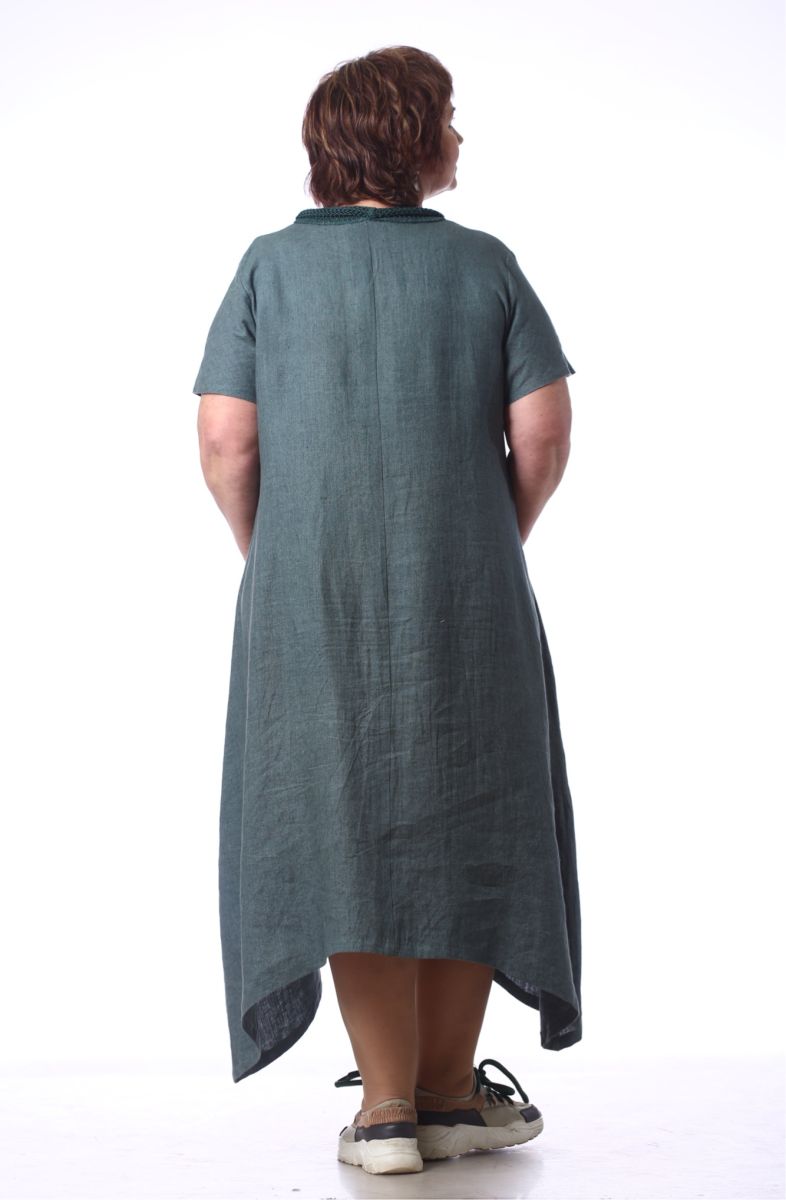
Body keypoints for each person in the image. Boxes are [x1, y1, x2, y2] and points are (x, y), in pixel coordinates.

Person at [191, 44, 582, 1177]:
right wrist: (490, 537)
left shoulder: (268, 269)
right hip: (470, 589)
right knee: (477, 817)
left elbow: (226, 440)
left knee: (340, 828)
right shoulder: (485, 266)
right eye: (448, 116)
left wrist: (271, 554)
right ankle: (452, 1096)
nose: (459, 135)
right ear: (407, 136)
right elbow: (543, 434)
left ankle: (389, 1113)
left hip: (307, 599)